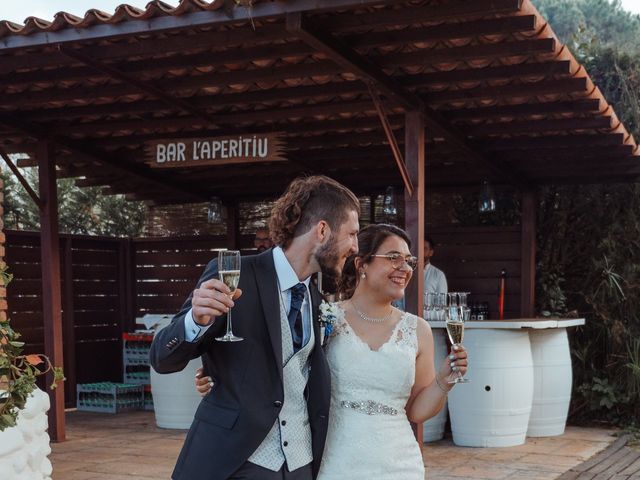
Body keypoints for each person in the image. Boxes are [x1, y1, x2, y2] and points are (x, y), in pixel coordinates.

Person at [197, 224, 468, 479]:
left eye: (409, 261)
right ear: (362, 264)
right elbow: (280, 373)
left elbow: (416, 412)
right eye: (394, 257)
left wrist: (444, 382)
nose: (405, 268)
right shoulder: (323, 316)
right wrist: (221, 379)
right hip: (335, 459)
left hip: (399, 463)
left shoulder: (417, 329)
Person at [150, 175, 361, 480]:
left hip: (300, 463)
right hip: (235, 460)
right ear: (323, 230)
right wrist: (194, 320)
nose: (355, 246)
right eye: (352, 234)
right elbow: (162, 358)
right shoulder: (235, 274)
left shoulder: (317, 299)